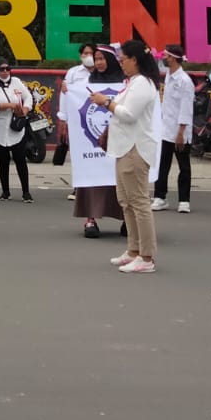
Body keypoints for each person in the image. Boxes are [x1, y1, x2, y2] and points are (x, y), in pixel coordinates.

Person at [91, 39, 161, 274]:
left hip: (135, 148)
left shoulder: (143, 83)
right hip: (124, 147)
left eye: (124, 60)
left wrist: (106, 102)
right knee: (126, 201)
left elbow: (129, 115)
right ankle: (133, 250)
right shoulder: (133, 82)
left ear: (136, 60)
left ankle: (147, 256)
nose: (121, 64)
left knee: (139, 202)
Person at [74, 45, 124, 239]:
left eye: (102, 58)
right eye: (96, 59)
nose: (98, 62)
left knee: (120, 181)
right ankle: (91, 219)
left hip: (119, 139)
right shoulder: (90, 81)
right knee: (92, 177)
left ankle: (126, 220)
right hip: (94, 141)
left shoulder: (124, 83)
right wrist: (68, 91)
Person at [153, 44, 194, 214]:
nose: (165, 58)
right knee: (162, 164)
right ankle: (160, 197)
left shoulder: (184, 81)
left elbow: (186, 108)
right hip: (165, 129)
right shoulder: (169, 76)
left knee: (184, 165)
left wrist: (181, 132)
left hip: (180, 130)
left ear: (174, 58)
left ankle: (184, 200)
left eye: (167, 56)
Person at [0, 60, 34, 202]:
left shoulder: (17, 82)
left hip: (16, 127)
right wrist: (7, 105)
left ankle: (26, 192)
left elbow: (28, 97)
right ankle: (5, 191)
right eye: (2, 69)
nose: (5, 71)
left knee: (20, 160)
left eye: (8, 68)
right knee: (3, 161)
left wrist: (25, 109)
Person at [56, 43, 96, 170]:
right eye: (85, 53)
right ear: (80, 55)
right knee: (78, 153)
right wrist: (63, 119)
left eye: (91, 53)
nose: (88, 56)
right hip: (77, 120)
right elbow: (65, 95)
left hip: (96, 119)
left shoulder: (102, 72)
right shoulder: (73, 73)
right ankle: (78, 187)